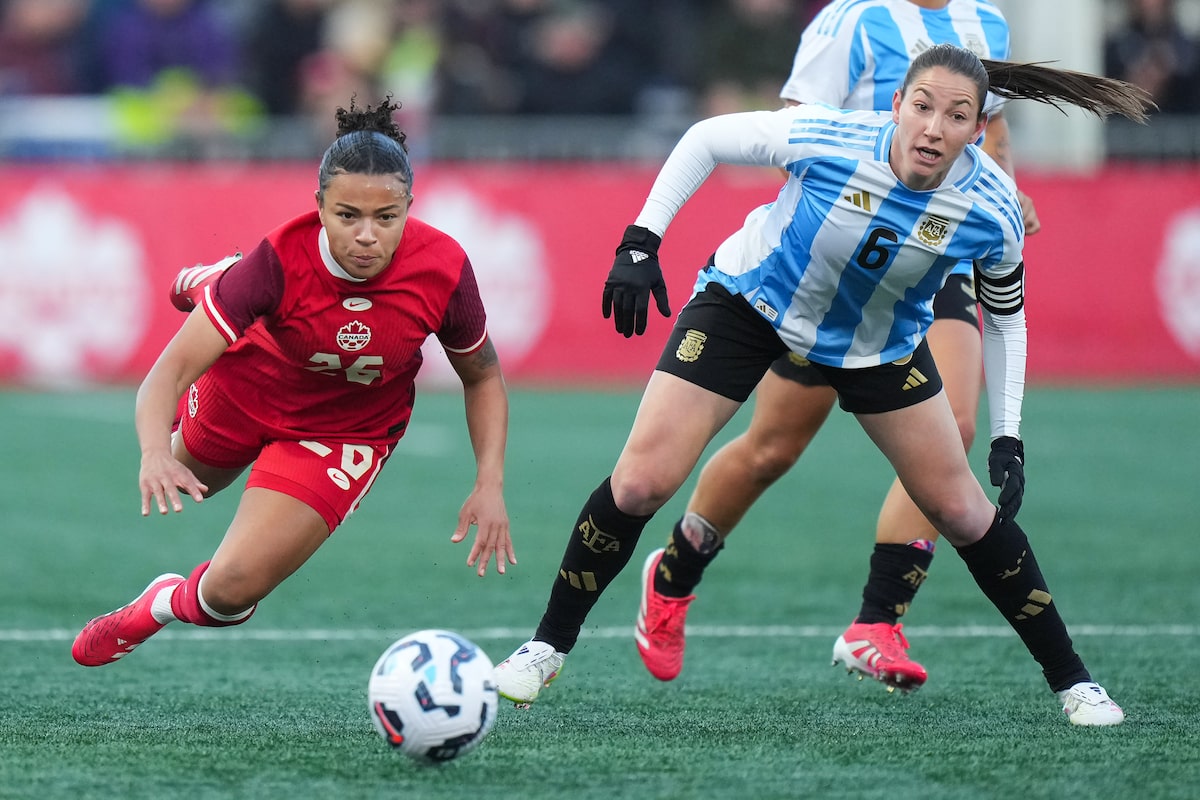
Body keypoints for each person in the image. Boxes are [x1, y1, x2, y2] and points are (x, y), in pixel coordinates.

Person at [493, 43, 1152, 726]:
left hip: (876, 346)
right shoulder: (830, 136)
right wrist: (641, 239)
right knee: (639, 483)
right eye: (921, 107)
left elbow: (1006, 321)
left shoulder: (991, 208)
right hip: (751, 305)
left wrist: (1009, 434)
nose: (932, 128)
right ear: (896, 106)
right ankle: (545, 647)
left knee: (964, 512)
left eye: (955, 116)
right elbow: (705, 138)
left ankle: (1075, 683)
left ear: (976, 129)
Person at [637, 0, 1037, 696]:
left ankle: (877, 621)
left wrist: (1005, 187)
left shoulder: (988, 23)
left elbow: (991, 125)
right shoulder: (852, 20)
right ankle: (676, 568)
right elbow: (796, 127)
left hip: (936, 250)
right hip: (838, 266)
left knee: (958, 426)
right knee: (772, 449)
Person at [72, 97, 514, 668]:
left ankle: (156, 605)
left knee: (229, 593)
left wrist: (490, 482)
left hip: (345, 430)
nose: (366, 237)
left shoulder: (445, 268)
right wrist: (155, 452)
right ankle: (220, 284)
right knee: (193, 475)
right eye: (346, 215)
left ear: (409, 207)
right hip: (246, 389)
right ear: (320, 206)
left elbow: (482, 378)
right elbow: (167, 375)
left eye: (387, 218)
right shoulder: (280, 258)